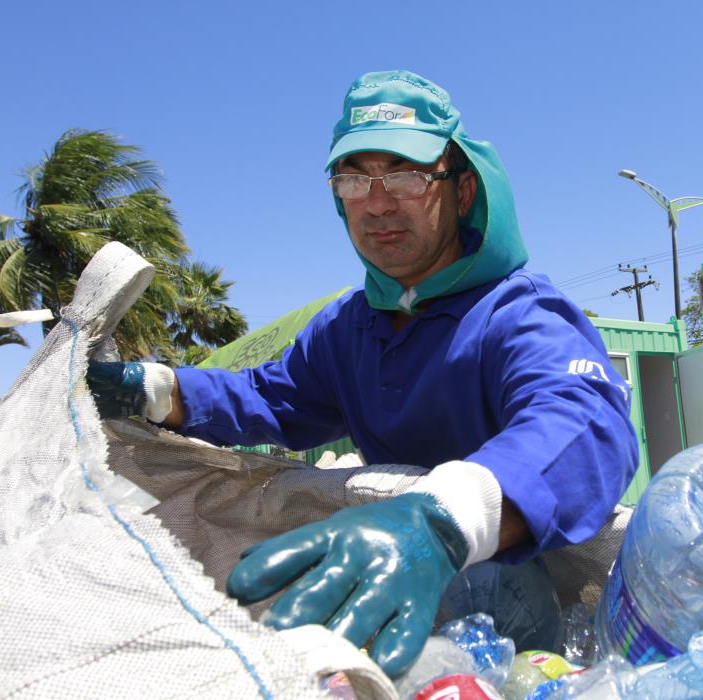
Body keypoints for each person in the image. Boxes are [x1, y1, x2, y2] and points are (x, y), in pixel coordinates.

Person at [87, 70, 638, 677]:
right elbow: (269, 396)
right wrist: (158, 389)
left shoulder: (516, 312)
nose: (377, 202)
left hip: (504, 604)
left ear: (461, 190)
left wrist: (443, 519)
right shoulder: (349, 328)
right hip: (387, 597)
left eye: (405, 174)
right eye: (354, 179)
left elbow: (584, 423)